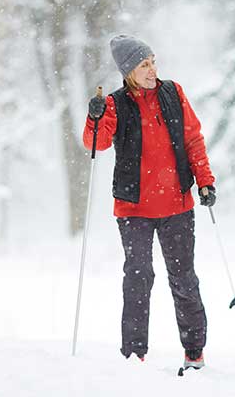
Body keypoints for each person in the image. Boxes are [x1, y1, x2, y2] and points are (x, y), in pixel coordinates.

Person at [83, 35, 216, 370]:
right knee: (139, 275)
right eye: (144, 64)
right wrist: (94, 117)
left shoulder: (173, 92)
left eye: (153, 61)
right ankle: (134, 354)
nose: (152, 69)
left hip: (177, 204)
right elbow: (95, 143)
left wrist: (205, 181)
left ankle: (194, 351)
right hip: (134, 208)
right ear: (129, 70)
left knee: (183, 278)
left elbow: (192, 137)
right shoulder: (115, 103)